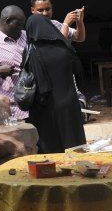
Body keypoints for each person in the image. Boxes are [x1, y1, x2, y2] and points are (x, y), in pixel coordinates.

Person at [23, 14, 86, 153]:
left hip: (45, 105)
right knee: (73, 143)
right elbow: (78, 69)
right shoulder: (64, 47)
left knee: (50, 147)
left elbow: (28, 76)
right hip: (69, 103)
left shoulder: (31, 50)